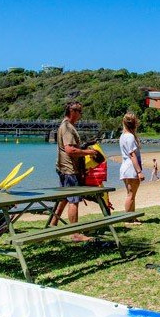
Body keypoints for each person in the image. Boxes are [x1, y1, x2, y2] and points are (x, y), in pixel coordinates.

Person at [50, 101, 100, 241]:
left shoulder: (67, 126)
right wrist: (87, 152)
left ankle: (53, 223)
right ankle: (75, 233)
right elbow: (70, 150)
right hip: (69, 169)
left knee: (65, 197)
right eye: (79, 111)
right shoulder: (67, 127)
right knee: (74, 199)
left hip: (64, 168)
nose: (80, 115)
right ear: (72, 111)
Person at [118, 112, 144, 221]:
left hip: (125, 167)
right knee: (131, 195)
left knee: (131, 194)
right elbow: (132, 155)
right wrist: (139, 171)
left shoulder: (123, 136)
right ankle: (129, 219)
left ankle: (132, 217)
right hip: (131, 168)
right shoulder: (130, 137)